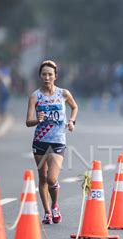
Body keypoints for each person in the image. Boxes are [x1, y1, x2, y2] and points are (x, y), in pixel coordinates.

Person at [26, 60, 78, 224]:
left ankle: (55, 205)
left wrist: (71, 122)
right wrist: (37, 120)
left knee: (51, 178)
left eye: (50, 74)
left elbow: (74, 107)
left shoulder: (63, 93)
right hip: (40, 141)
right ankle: (47, 212)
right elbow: (28, 121)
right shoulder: (35, 96)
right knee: (42, 178)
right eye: (44, 74)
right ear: (40, 76)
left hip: (57, 141)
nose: (47, 77)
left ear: (56, 76)